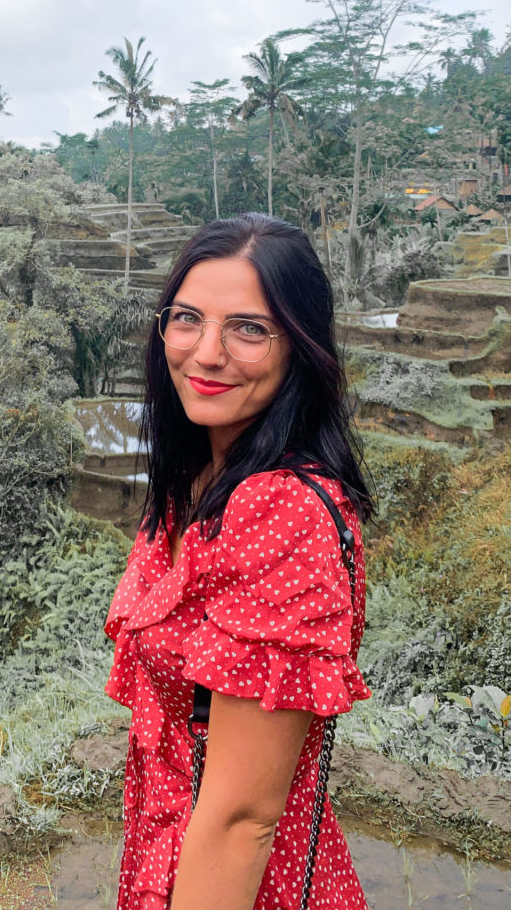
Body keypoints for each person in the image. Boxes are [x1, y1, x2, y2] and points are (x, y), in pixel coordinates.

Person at [105, 212, 373, 910]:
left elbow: (241, 819)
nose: (207, 352)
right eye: (188, 318)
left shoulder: (279, 512)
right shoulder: (196, 483)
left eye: (249, 328)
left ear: (300, 348)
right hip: (169, 862)